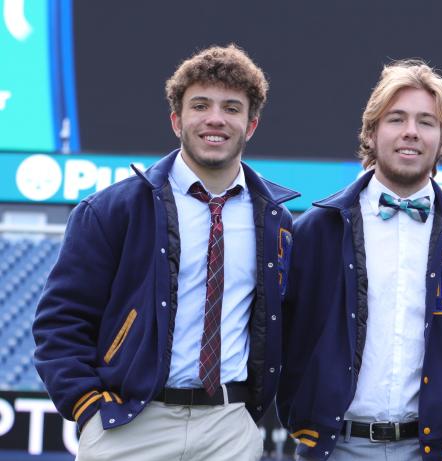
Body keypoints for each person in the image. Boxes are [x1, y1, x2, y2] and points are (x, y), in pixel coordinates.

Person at [32, 44, 298, 460]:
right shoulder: (111, 210)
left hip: (228, 427)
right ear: (177, 120)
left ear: (252, 125)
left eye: (231, 107)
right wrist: (88, 407)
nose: (215, 119)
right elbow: (59, 323)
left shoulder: (276, 220)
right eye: (200, 105)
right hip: (131, 424)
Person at [277, 59, 442, 461]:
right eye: (396, 118)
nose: (411, 132)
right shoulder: (316, 231)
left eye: (426, 122)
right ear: (371, 132)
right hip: (334, 448)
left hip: (437, 452)